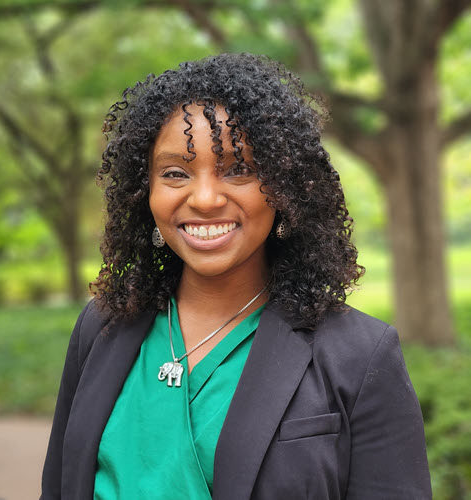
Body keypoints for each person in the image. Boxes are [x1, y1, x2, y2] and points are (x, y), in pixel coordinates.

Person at [40, 53, 432, 499]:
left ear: (285, 187)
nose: (205, 198)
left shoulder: (360, 356)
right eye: (174, 173)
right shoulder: (102, 327)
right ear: (144, 191)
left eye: (239, 169)